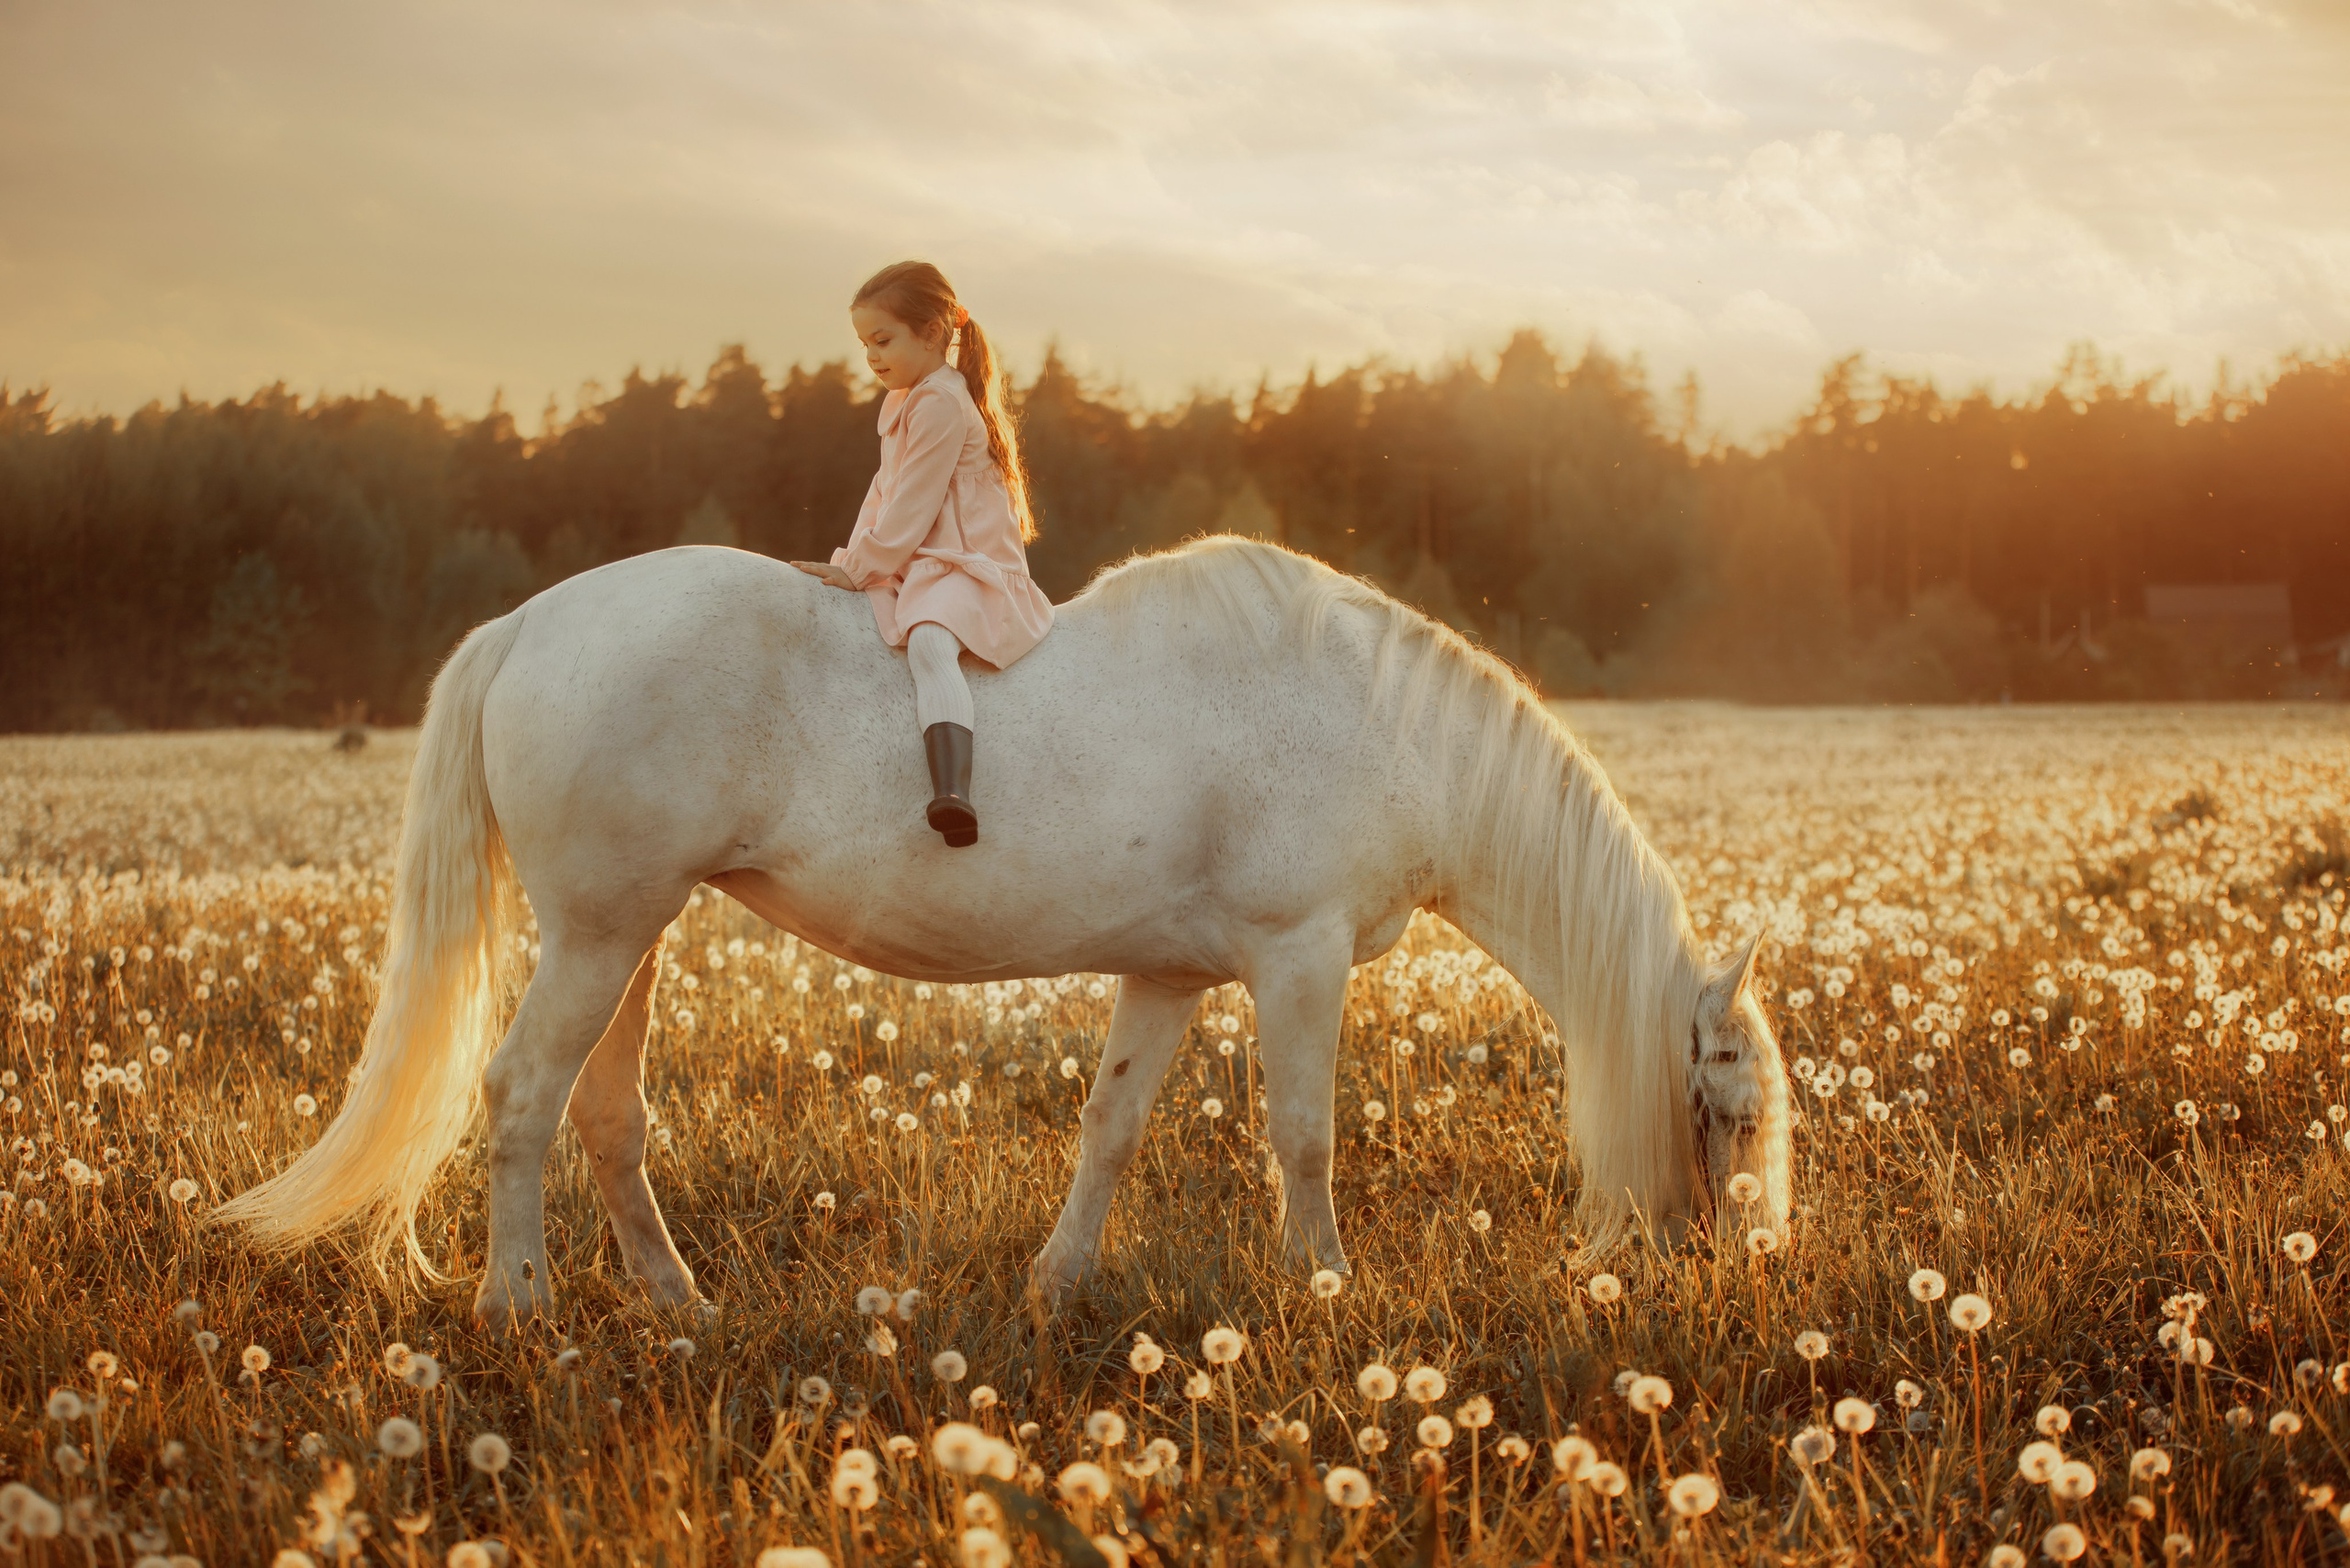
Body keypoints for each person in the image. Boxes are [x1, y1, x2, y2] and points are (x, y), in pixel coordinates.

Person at [791, 262, 1054, 847]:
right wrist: (853, 563)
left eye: (883, 341)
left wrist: (863, 569)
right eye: (865, 345)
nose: (872, 358)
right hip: (919, 556)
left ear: (934, 332)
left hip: (965, 562)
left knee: (932, 641)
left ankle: (953, 792)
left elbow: (913, 504)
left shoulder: (940, 402)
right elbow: (883, 494)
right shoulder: (908, 400)